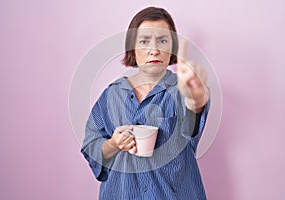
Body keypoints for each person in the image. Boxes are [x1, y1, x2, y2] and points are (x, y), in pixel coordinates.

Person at [81, 6, 210, 200]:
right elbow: (92, 149)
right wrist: (114, 144)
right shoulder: (111, 95)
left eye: (162, 41)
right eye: (144, 41)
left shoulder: (181, 90)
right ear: (132, 48)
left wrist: (196, 97)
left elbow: (194, 113)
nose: (154, 50)